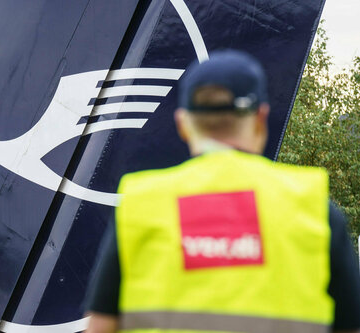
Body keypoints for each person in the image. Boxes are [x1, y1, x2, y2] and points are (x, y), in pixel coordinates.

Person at [85, 50, 360, 333]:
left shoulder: (141, 205)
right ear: (260, 118)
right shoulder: (314, 208)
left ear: (182, 124)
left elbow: (101, 326)